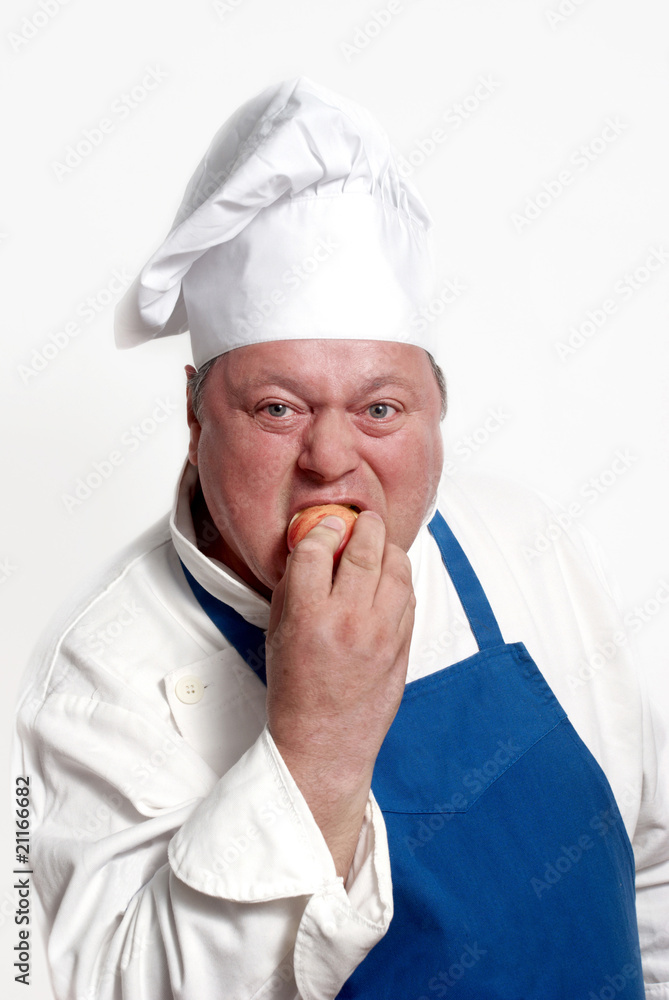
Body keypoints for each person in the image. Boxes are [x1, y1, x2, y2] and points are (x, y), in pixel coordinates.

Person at [14, 76, 668, 1000]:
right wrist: (316, 741)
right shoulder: (93, 686)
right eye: (277, 408)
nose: (330, 458)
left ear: (437, 412)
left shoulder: (526, 545)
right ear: (196, 418)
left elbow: (649, 871)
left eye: (380, 408)